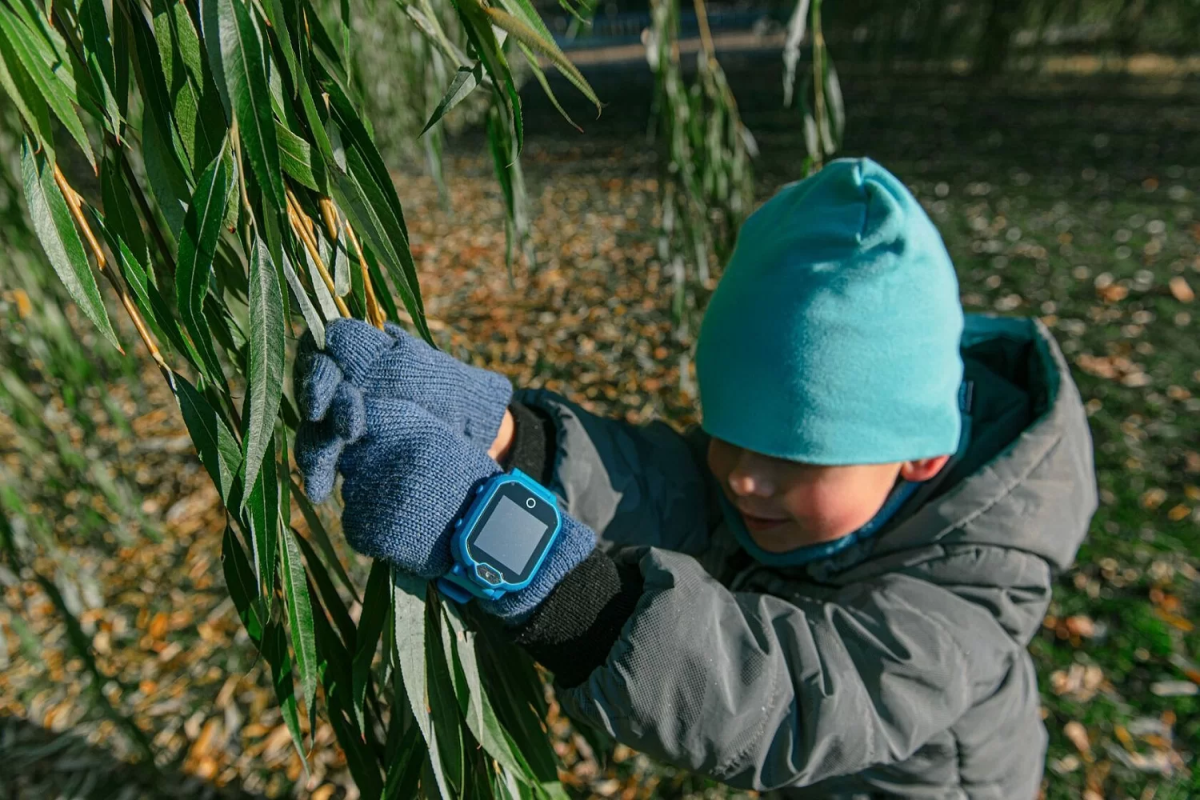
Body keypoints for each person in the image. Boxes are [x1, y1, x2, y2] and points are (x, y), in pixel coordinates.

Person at [293, 158, 1097, 799]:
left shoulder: (971, 587)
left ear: (918, 453)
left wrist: (515, 552)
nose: (744, 479)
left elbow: (798, 705)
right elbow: (670, 490)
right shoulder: (805, 488)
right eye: (729, 433)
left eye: (795, 455)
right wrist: (503, 433)